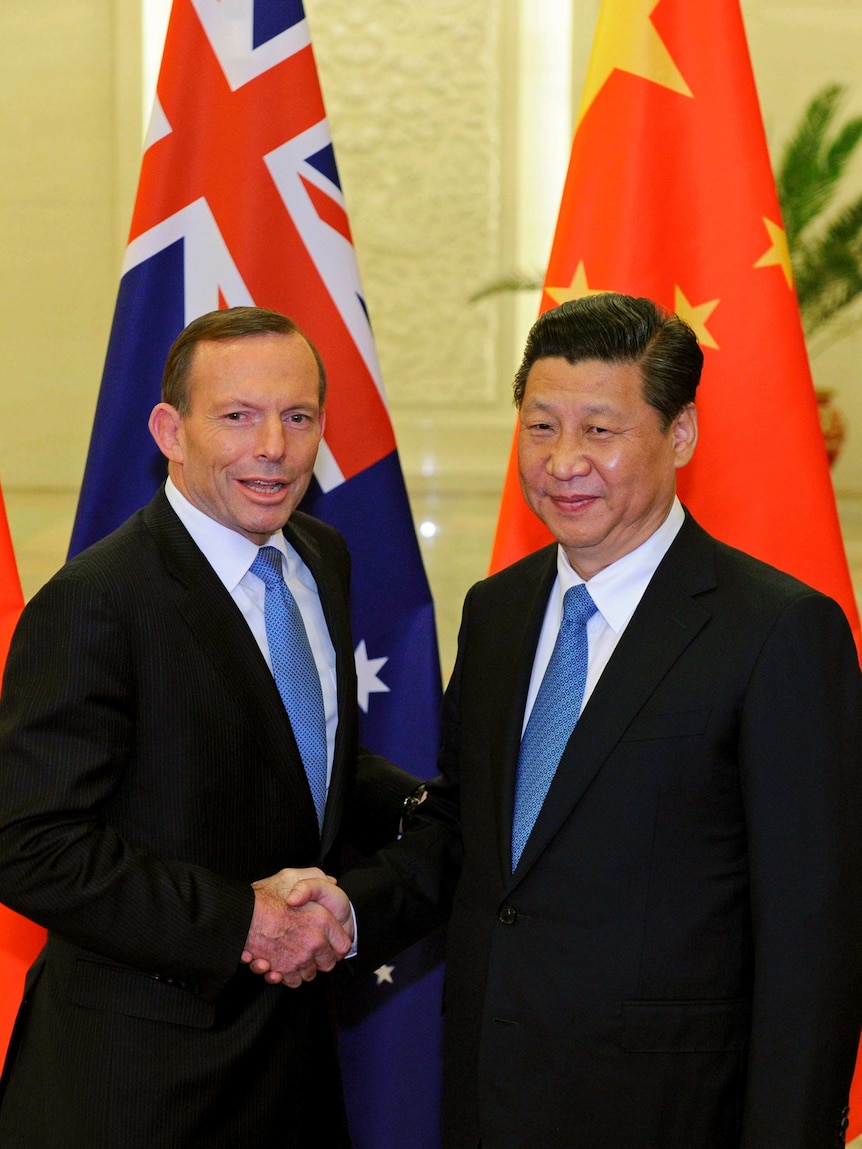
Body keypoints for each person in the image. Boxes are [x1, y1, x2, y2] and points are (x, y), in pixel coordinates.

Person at [279, 293, 862, 1146]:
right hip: (491, 1098)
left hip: (675, 1111)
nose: (563, 461)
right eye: (541, 426)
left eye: (599, 429)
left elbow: (813, 933)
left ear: (682, 435)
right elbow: (464, 830)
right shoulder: (498, 611)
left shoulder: (775, 630)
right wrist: (343, 912)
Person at [0, 306, 420, 1147]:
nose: (272, 446)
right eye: (237, 416)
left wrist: (435, 808)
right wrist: (244, 921)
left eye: (297, 417)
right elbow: (29, 844)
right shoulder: (99, 601)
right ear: (170, 429)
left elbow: (291, 753)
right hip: (135, 1088)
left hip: (291, 1070)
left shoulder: (320, 557)